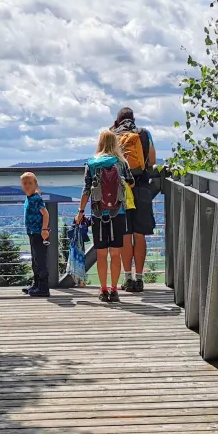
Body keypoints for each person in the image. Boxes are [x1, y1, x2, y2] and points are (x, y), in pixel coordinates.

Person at [76, 131, 131, 302]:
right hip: (118, 213)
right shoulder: (122, 162)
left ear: (99, 142)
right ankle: (114, 290)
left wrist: (80, 211)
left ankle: (103, 289)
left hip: (98, 214)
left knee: (101, 254)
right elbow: (130, 182)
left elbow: (86, 190)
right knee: (115, 254)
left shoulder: (92, 163)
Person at [109, 107, 156, 292]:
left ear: (117, 120)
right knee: (139, 234)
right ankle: (139, 278)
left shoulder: (111, 134)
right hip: (142, 187)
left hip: (119, 189)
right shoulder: (144, 134)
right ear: (133, 119)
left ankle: (127, 278)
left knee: (125, 235)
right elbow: (151, 161)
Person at [21, 172, 51, 297]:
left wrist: (44, 230)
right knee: (35, 260)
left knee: (40, 260)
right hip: (32, 233)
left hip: (39, 233)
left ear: (35, 184)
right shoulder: (30, 197)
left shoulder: (36, 199)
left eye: (30, 183)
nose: (27, 186)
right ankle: (36, 284)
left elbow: (45, 214)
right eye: (24, 183)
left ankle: (44, 288)